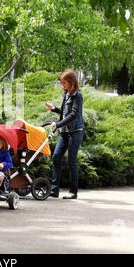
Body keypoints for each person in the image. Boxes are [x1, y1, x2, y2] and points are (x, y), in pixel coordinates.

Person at [45, 69, 84, 199]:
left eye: (64, 83)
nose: (63, 85)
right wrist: (54, 109)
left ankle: (73, 192)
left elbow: (73, 114)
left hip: (75, 132)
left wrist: (58, 124)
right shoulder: (66, 94)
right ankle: (55, 190)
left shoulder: (77, 95)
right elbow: (64, 113)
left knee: (71, 160)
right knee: (56, 157)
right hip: (65, 132)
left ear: (71, 82)